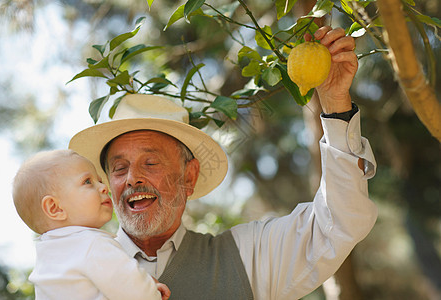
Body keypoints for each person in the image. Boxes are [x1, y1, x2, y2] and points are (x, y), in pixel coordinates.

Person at [69, 26, 378, 299]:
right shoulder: (74, 273)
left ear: (189, 177)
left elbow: (339, 222)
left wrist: (336, 103)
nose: (132, 177)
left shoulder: (247, 257)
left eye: (150, 163)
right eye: (119, 168)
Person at [12, 149, 171, 300]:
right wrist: (152, 289)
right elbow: (140, 294)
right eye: (87, 181)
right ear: (55, 208)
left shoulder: (46, 261)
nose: (104, 187)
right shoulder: (92, 244)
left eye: (100, 180)